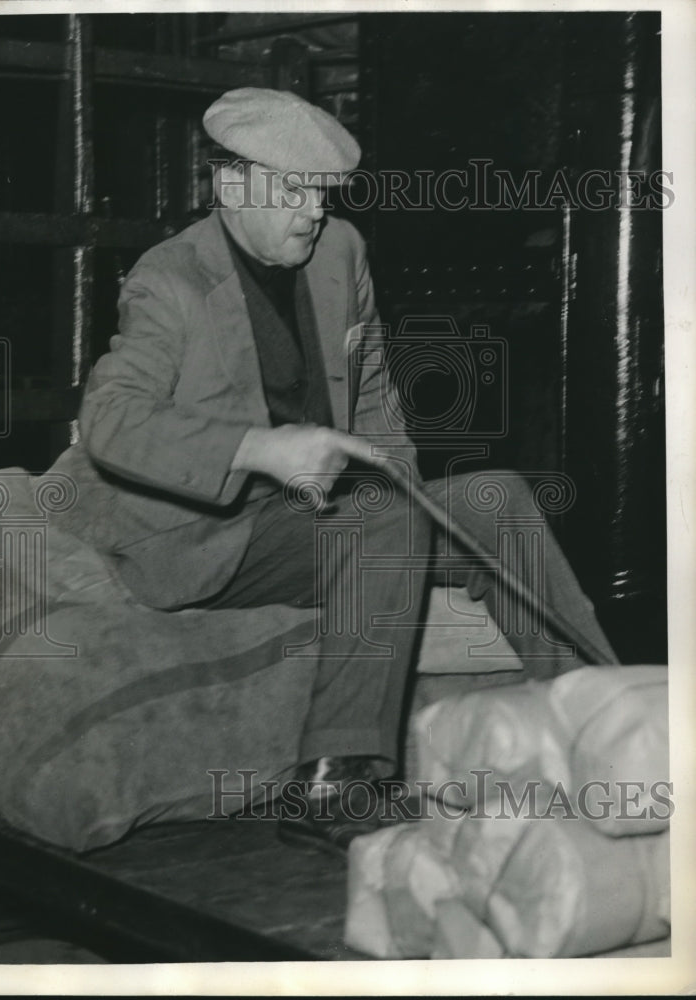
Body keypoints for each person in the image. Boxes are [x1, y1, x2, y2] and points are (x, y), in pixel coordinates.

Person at [57, 88, 618, 854]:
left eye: (321, 192)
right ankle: (334, 780)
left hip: (311, 522)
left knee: (495, 495)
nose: (313, 211)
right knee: (384, 518)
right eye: (292, 190)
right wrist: (260, 449)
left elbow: (376, 397)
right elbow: (110, 419)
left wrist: (406, 485)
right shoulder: (170, 282)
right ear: (230, 187)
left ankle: (609, 717)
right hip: (205, 539)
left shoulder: (339, 252)